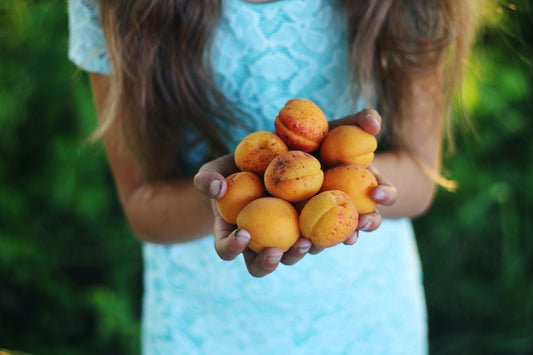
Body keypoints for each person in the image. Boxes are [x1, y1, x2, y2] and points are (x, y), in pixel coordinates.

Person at [68, 0, 479, 353]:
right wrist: (224, 195)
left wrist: (345, 177)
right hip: (205, 323)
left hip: (363, 316)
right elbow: (143, 205)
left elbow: (420, 179)